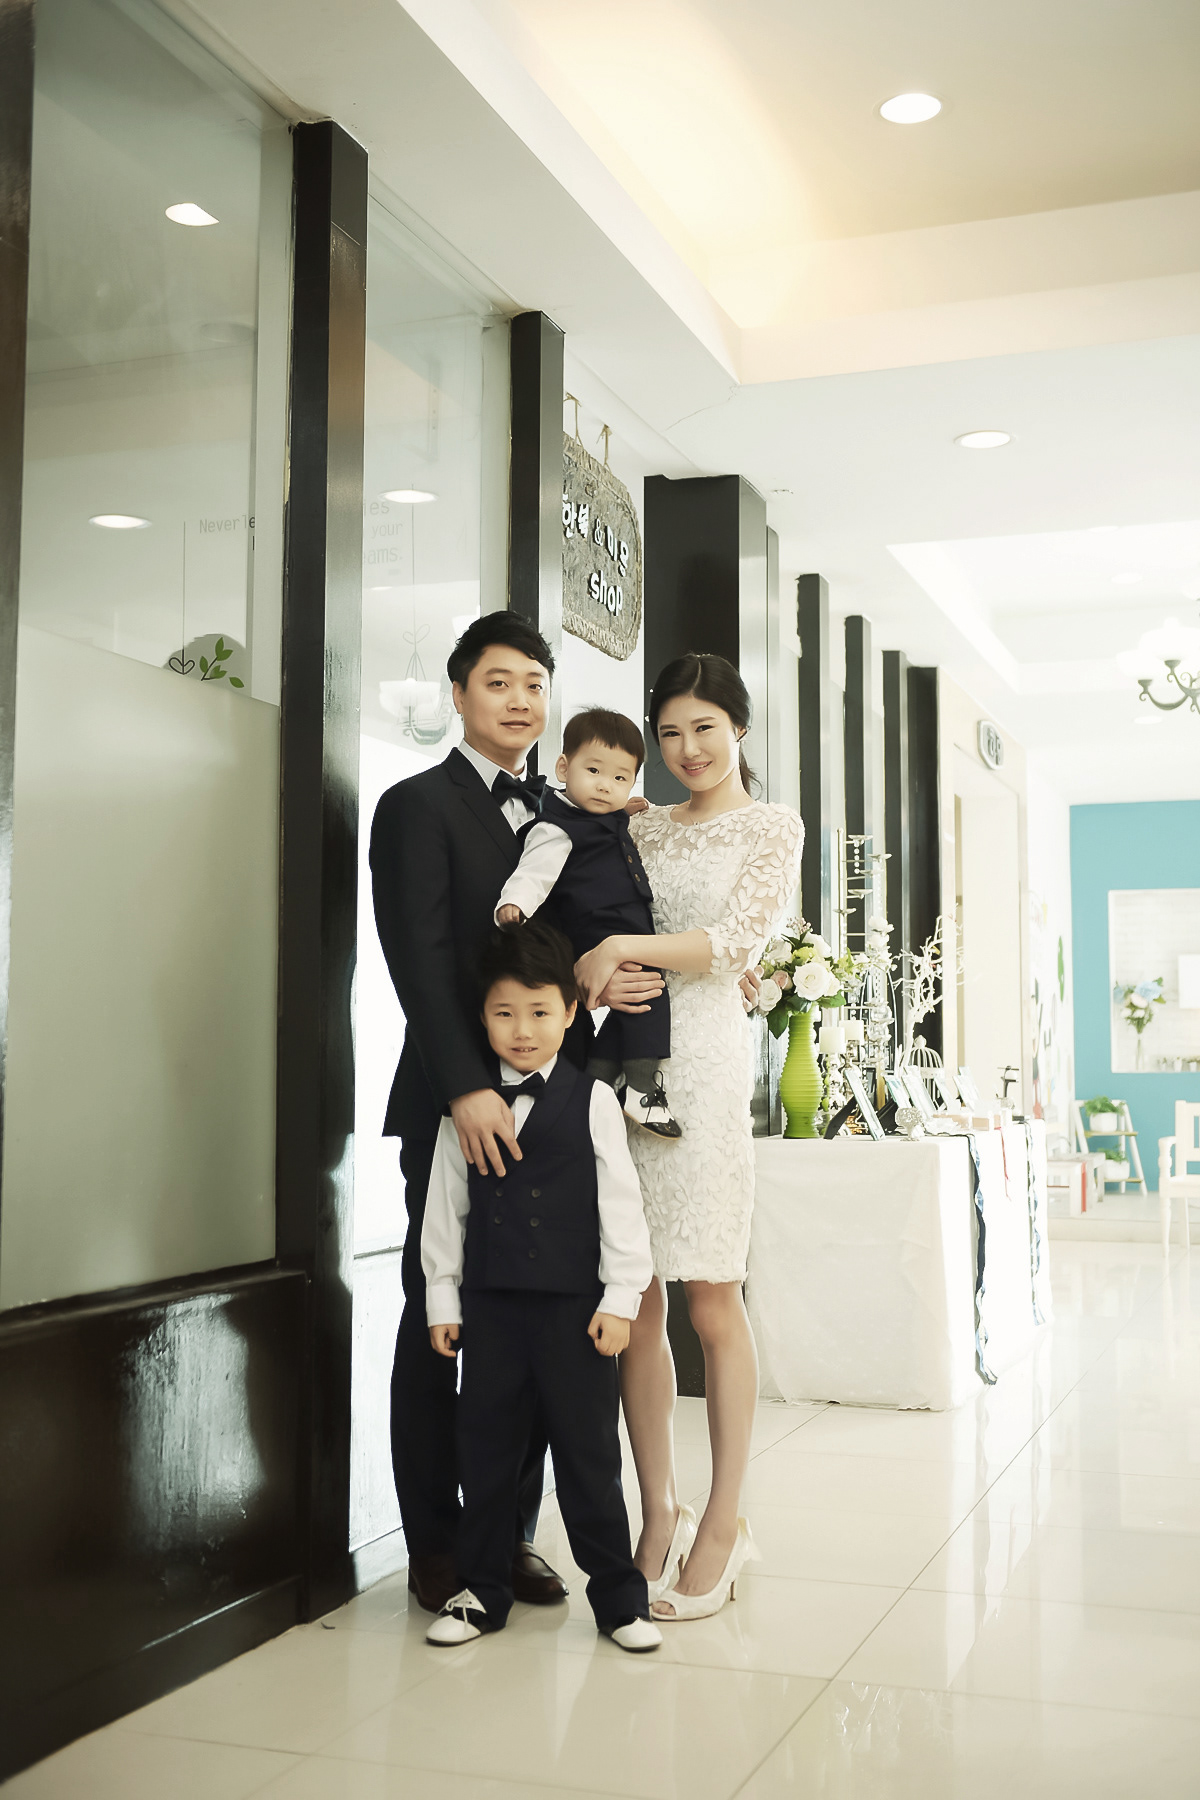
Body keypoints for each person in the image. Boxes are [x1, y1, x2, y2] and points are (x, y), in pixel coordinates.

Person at [574, 653, 804, 1621]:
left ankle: (723, 1523)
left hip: (705, 1070)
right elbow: (582, 907)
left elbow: (734, 947)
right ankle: (657, 1510)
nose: (687, 749)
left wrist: (621, 948)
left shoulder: (772, 827)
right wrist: (594, 967)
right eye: (669, 733)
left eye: (704, 728)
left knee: (711, 1294)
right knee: (637, 1295)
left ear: (738, 727)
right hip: (626, 1065)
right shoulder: (638, 823)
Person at [370, 611, 575, 1615]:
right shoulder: (417, 805)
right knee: (437, 1314)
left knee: (528, 1324)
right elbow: (418, 959)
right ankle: (435, 1541)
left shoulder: (560, 814)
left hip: (550, 1111)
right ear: (458, 694)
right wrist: (465, 1088)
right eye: (498, 682)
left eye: (534, 683)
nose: (520, 700)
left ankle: (508, 1534)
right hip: (453, 1104)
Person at [421, 921, 662, 1654]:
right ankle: (480, 1592)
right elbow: (445, 1210)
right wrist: (442, 1299)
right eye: (504, 1013)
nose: (522, 1031)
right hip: (491, 1310)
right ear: (482, 1017)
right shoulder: (465, 1110)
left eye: (538, 1012)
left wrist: (621, 1299)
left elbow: (622, 1207)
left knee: (589, 1458)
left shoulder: (592, 1102)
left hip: (576, 1314)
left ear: (569, 1012)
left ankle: (619, 1601)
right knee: (486, 1453)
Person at [496, 706, 681, 1138]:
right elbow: (534, 871)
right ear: (564, 768)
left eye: (619, 778)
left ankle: (596, 1079)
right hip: (598, 930)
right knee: (649, 998)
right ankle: (641, 1090)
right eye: (594, 771)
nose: (604, 785)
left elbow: (609, 819)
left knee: (629, 1006)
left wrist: (625, 808)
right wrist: (514, 904)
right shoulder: (557, 827)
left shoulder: (604, 816)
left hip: (620, 930)